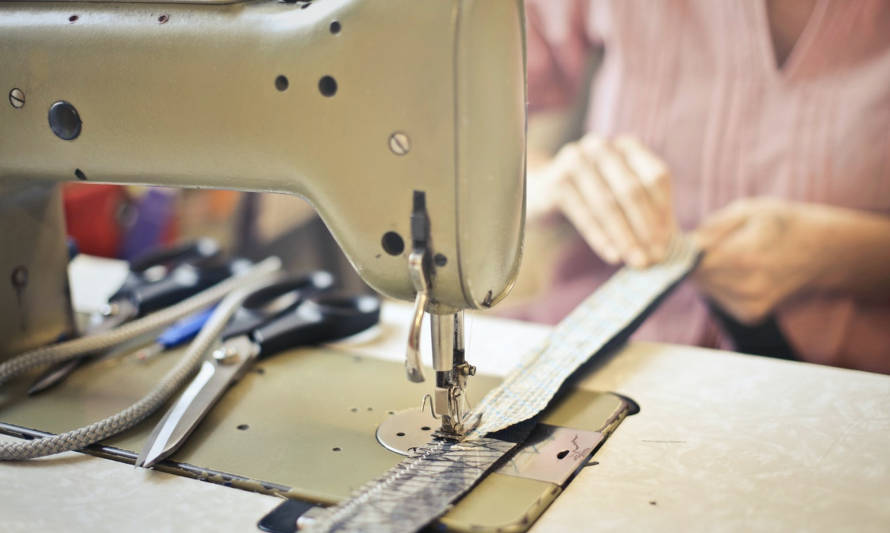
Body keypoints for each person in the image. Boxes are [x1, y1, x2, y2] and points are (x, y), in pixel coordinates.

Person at [520, 0, 890, 373]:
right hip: (592, 345)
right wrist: (543, 182)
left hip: (845, 376)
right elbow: (469, 125)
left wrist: (835, 253)